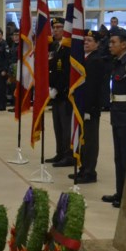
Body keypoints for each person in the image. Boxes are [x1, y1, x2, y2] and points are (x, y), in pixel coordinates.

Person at [101, 28, 126, 209]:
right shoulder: (118, 62)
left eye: (113, 42)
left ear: (124, 44)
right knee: (119, 157)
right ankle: (120, 191)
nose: (110, 45)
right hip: (117, 113)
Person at [68, 30, 109, 184]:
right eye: (84, 40)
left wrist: (89, 108)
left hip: (90, 108)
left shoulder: (96, 60)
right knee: (82, 138)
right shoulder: (84, 59)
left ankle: (90, 172)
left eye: (90, 40)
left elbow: (94, 87)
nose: (86, 42)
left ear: (97, 44)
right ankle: (83, 168)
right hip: (81, 105)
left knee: (90, 140)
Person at [48, 17, 73, 167]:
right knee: (57, 125)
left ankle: (68, 155)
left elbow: (67, 72)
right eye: (54, 27)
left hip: (64, 93)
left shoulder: (68, 47)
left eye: (59, 27)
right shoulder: (54, 46)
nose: (56, 30)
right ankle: (60, 152)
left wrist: (58, 88)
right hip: (55, 93)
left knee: (66, 125)